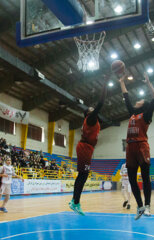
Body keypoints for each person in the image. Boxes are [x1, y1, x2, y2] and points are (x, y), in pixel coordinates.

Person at [118, 72, 154, 220]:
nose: (137, 101)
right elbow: (126, 99)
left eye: (140, 100)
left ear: (143, 105)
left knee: (145, 178)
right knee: (132, 179)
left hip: (141, 146)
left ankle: (147, 206)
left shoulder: (146, 116)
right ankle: (140, 206)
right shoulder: (132, 115)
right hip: (130, 148)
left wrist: (148, 83)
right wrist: (121, 82)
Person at [69, 75, 109, 215]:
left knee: (83, 175)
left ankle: (74, 201)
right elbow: (101, 102)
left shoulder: (93, 121)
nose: (92, 108)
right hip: (85, 147)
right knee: (83, 176)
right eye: (90, 108)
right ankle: (75, 202)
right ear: (88, 113)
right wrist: (105, 83)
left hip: (87, 148)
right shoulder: (91, 119)